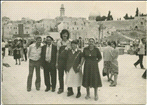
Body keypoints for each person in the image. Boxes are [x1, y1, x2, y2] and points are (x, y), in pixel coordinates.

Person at [56, 29, 71, 94]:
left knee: (69, 75)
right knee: (60, 75)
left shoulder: (70, 42)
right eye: (63, 34)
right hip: (61, 61)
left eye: (66, 34)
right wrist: (57, 62)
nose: (65, 35)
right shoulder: (59, 42)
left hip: (68, 61)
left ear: (68, 35)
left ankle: (70, 89)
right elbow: (57, 53)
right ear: (61, 35)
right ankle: (61, 88)